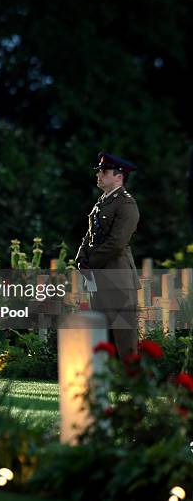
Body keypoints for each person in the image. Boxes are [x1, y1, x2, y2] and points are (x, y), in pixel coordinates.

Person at [75, 152, 141, 359]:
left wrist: (90, 262)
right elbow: (91, 234)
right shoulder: (102, 202)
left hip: (117, 276)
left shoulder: (126, 204)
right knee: (101, 330)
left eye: (104, 172)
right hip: (99, 276)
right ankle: (107, 379)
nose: (98, 175)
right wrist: (81, 256)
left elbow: (117, 242)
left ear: (119, 176)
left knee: (123, 333)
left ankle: (130, 381)